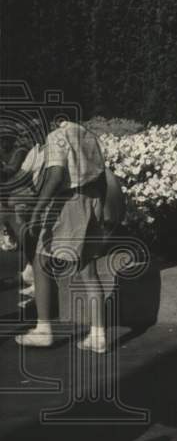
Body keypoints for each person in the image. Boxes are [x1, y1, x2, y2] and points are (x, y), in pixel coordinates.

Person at [15, 120, 115, 353]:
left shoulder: (56, 137)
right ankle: (98, 335)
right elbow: (101, 175)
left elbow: (56, 175)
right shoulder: (86, 135)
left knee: (40, 262)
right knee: (88, 271)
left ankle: (43, 329)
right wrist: (98, 209)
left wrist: (39, 209)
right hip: (91, 201)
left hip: (67, 203)